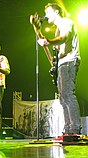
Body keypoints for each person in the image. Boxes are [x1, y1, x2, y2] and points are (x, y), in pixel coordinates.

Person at [37, 3, 81, 135]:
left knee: (68, 94)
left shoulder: (66, 22)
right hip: (62, 63)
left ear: (56, 12)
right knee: (62, 98)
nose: (46, 16)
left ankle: (75, 128)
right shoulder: (57, 29)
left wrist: (49, 42)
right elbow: (55, 54)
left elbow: (65, 37)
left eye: (48, 12)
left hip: (69, 61)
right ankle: (68, 129)